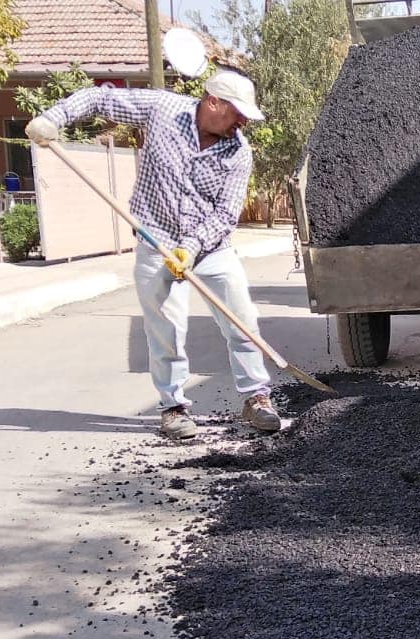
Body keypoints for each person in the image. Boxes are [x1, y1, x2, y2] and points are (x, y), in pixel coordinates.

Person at [25, 71, 278, 440]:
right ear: (213, 102)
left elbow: (225, 214)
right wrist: (54, 118)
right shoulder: (163, 109)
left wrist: (191, 248)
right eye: (237, 112)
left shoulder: (239, 152)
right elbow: (100, 99)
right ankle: (173, 408)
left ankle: (257, 397)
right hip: (155, 239)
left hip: (208, 248)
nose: (242, 122)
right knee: (166, 329)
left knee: (241, 320)